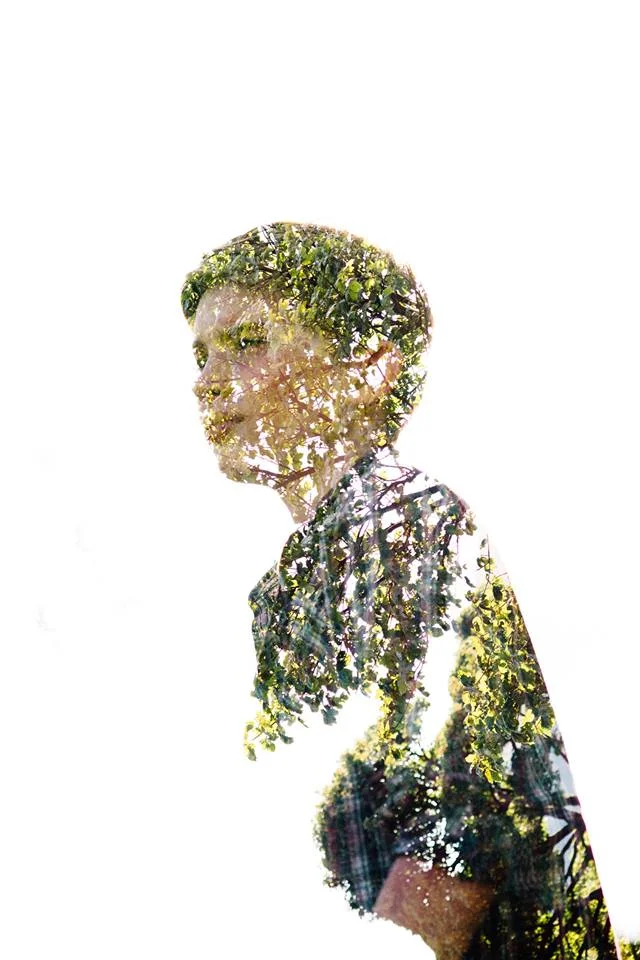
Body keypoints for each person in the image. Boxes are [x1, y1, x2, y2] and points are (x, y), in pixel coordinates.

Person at [181, 223, 635, 958]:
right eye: (201, 355)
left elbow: (458, 835)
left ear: (370, 369)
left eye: (249, 342)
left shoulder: (402, 523)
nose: (207, 381)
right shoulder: (301, 576)